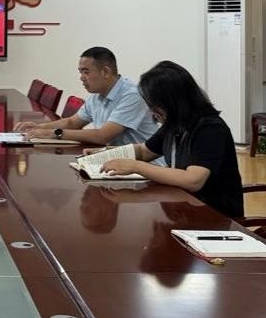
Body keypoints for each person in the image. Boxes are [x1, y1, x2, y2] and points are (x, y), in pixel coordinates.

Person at [97, 61, 243, 218]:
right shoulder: (174, 124)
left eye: (154, 106)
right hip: (181, 206)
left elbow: (193, 180)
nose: (151, 112)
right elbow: (144, 151)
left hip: (213, 215)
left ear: (172, 102)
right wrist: (104, 154)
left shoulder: (210, 129)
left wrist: (136, 166)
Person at [14, 47, 159, 147]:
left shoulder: (132, 95)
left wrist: (54, 133)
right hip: (117, 160)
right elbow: (72, 122)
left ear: (106, 72)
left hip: (144, 167)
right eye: (80, 72)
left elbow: (102, 136)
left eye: (86, 72)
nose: (81, 77)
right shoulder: (98, 95)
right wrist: (39, 127)